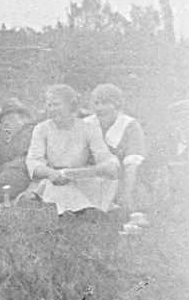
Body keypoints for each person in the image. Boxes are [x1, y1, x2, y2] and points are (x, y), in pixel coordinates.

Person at [25, 84, 120, 216]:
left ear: (71, 106)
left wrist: (94, 169)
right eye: (49, 105)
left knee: (103, 183)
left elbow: (105, 158)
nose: (52, 109)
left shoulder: (88, 127)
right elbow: (34, 161)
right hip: (53, 179)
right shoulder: (41, 129)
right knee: (55, 189)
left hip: (80, 179)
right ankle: (77, 212)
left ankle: (82, 211)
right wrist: (50, 173)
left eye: (56, 104)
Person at [84, 84, 147, 213]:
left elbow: (132, 164)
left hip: (121, 182)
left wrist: (126, 194)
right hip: (89, 182)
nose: (100, 108)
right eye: (96, 103)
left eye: (106, 103)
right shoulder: (86, 124)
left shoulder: (130, 126)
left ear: (117, 104)